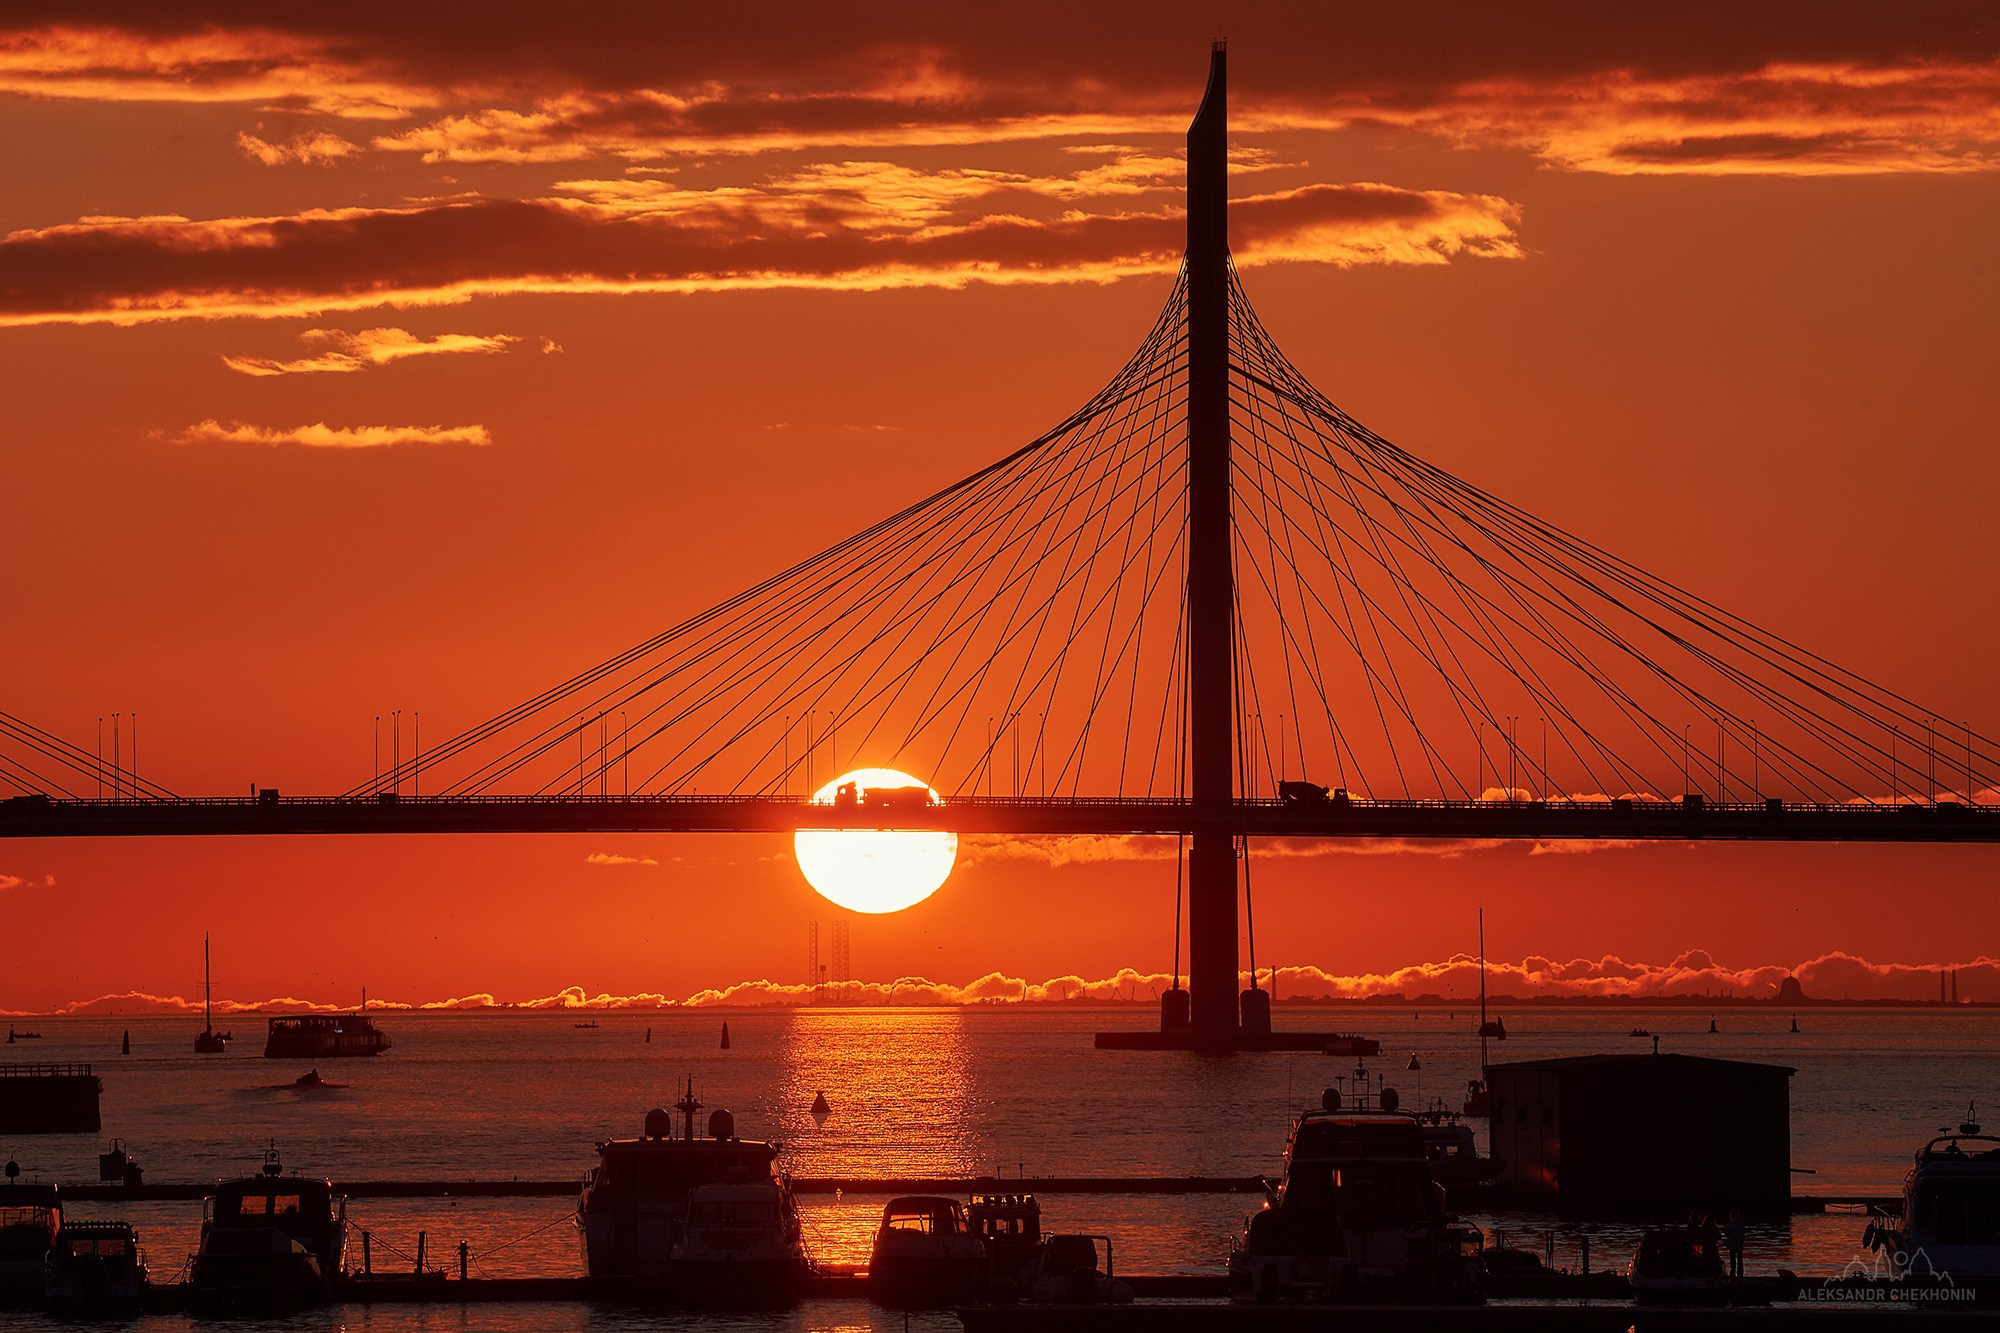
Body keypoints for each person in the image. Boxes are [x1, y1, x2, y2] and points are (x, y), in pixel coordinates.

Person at [1723, 1209, 1746, 1278]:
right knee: (1739, 1258)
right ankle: (1740, 1272)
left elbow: (1726, 1233)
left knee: (1732, 1258)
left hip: (1732, 1243)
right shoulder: (1741, 1223)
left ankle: (1733, 1272)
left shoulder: (1731, 1223)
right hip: (1739, 1243)